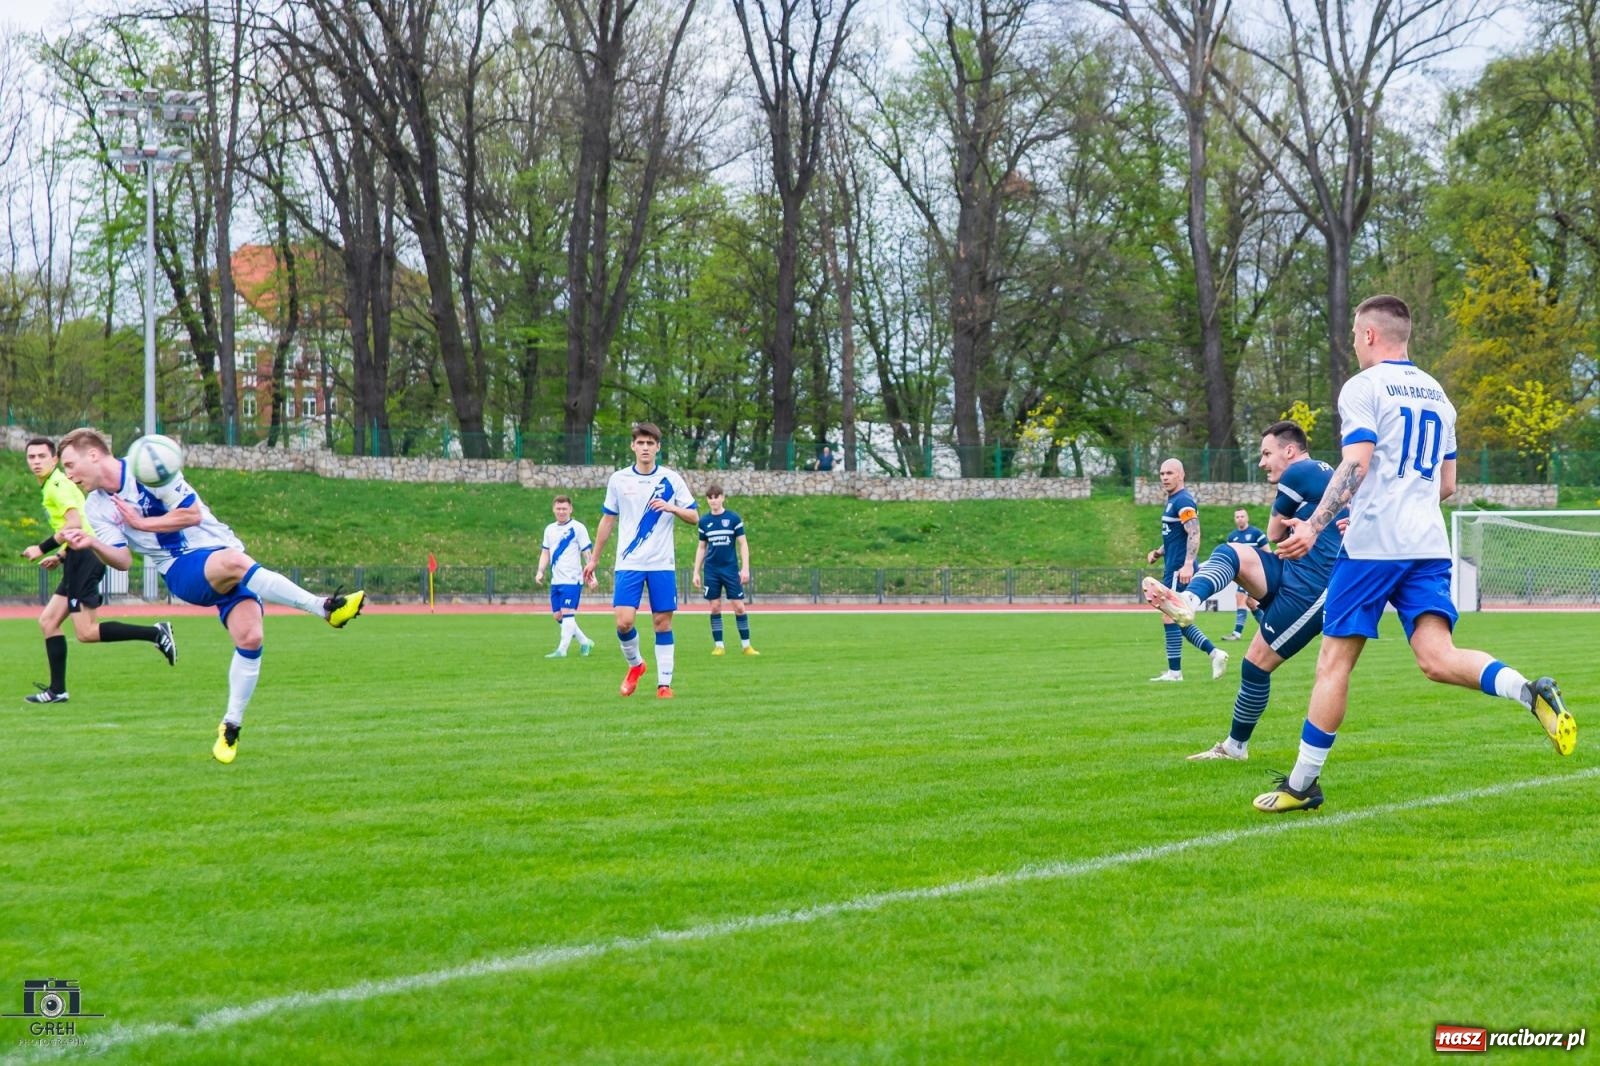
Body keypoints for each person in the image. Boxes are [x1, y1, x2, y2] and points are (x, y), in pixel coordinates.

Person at [1254, 295, 1575, 813]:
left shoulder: (1363, 387)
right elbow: (1445, 484)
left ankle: (1302, 784)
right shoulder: (1439, 395)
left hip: (1375, 548)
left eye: (1355, 334)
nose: (1353, 343)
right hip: (1427, 544)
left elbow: (1356, 465)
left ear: (1369, 336)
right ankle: (1528, 690)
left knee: (1333, 664)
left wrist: (1314, 526)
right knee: (1437, 658)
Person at [56, 428, 366, 764]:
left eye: (70, 464)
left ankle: (231, 726)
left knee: (250, 636)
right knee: (234, 563)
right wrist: (93, 544)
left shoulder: (151, 467)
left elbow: (192, 515)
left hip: (222, 551)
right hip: (180, 568)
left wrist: (141, 524)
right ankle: (324, 608)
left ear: (93, 454)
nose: (68, 474)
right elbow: (124, 560)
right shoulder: (97, 506)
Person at [1144, 421, 1347, 761]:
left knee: (1255, 665)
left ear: (1290, 451)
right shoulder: (1322, 470)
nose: (1262, 462)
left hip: (1313, 587)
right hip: (1292, 570)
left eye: (1267, 454)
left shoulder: (1298, 473)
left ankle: (1235, 748)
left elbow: (1272, 533)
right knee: (1230, 553)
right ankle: (1189, 600)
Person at [19, 436, 176, 703]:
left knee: (86, 632)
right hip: (76, 554)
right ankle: (57, 691)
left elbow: (75, 522)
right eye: (31, 457)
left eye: (42, 457)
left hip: (87, 556)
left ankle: (156, 632)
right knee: (48, 622)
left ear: (54, 460)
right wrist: (61, 554)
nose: (36, 462)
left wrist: (41, 547)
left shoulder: (58, 484)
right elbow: (75, 527)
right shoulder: (53, 485)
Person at [582, 422, 699, 698]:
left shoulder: (671, 480)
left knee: (662, 622)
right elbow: (608, 520)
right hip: (628, 563)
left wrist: (672, 507)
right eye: (641, 443)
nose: (645, 447)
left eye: (650, 443)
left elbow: (694, 517)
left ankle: (664, 685)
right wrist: (594, 559)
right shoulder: (619, 480)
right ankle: (636, 665)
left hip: (661, 564)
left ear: (658, 447)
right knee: (623, 622)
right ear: (633, 446)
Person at [1143, 458, 1228, 682]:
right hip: (1173, 567)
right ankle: (1208, 656)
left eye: (1169, 473)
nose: (1164, 477)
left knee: (1172, 617)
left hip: (1179, 571)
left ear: (1181, 475)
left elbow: (1194, 532)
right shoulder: (1173, 501)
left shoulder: (1183, 500)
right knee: (1176, 617)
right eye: (1162, 473)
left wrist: (1188, 564)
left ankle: (1182, 669)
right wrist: (1159, 552)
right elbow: (1176, 537)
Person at [693, 485, 759, 656]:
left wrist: (745, 568)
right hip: (712, 570)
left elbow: (743, 543)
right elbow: (701, 547)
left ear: (723, 498)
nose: (713, 500)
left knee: (739, 607)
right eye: (710, 497)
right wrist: (696, 571)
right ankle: (719, 646)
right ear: (707, 500)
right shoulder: (704, 522)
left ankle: (746, 646)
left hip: (730, 569)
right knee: (715, 607)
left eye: (716, 497)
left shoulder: (733, 518)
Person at [535, 495, 597, 659]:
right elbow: (545, 552)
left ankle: (562, 650)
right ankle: (585, 641)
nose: (561, 511)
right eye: (558, 508)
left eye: (564, 508)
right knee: (558, 616)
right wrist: (540, 570)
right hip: (557, 580)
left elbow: (587, 553)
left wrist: (592, 575)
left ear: (570, 509)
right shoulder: (549, 529)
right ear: (554, 509)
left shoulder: (578, 528)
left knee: (567, 613)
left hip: (572, 578)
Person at [1221, 508, 1269, 641]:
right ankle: (1268, 628)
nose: (1240, 519)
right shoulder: (1232, 537)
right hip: (1241, 575)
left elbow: (1268, 553)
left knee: (1240, 597)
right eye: (1237, 517)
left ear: (1247, 518)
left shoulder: (1256, 533)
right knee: (1251, 603)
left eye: (1242, 516)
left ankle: (1236, 634)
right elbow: (1231, 557)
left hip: (1254, 573)